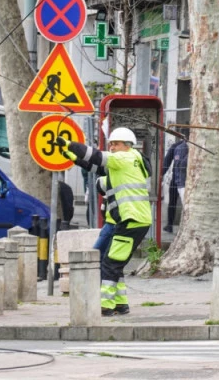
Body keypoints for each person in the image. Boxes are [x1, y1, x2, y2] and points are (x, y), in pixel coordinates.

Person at [57, 127, 152, 316]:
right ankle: (120, 304)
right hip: (133, 220)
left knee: (109, 264)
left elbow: (97, 156)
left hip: (131, 220)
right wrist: (72, 156)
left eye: (115, 144)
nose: (112, 147)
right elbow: (96, 167)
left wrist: (69, 144)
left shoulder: (124, 158)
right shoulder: (129, 161)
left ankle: (106, 306)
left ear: (127, 145)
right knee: (116, 263)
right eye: (111, 144)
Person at [162, 133, 189, 233]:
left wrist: (161, 174)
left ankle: (170, 224)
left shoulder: (177, 146)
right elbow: (167, 162)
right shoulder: (178, 147)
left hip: (177, 177)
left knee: (173, 202)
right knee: (177, 203)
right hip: (179, 177)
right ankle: (170, 224)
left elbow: (166, 162)